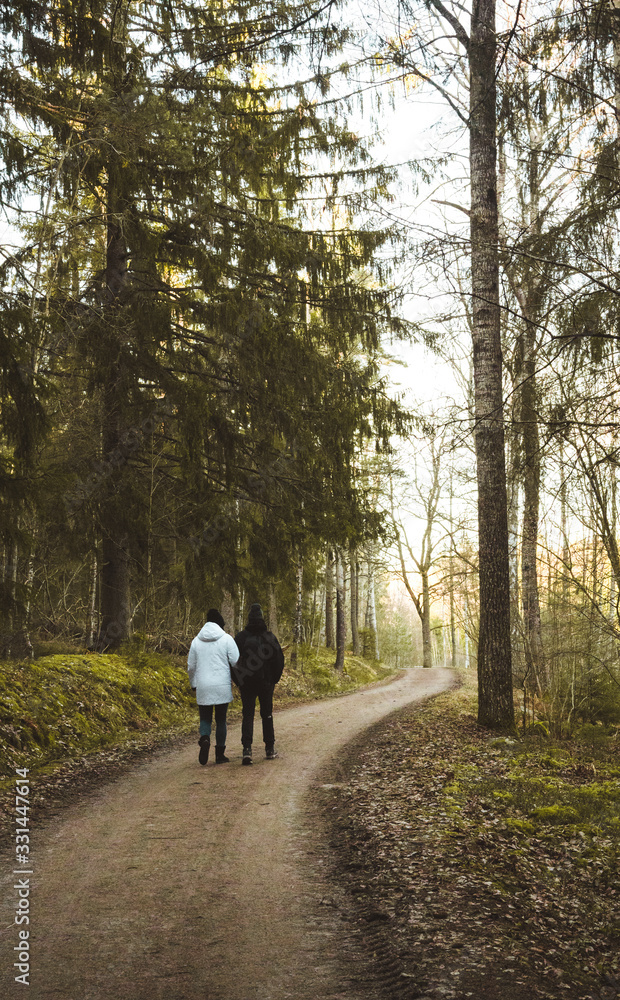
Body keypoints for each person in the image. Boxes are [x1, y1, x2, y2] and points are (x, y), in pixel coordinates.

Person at [233, 603, 284, 765]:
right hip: (266, 683)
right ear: (262, 618)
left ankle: (247, 750)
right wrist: (273, 680)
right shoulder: (270, 637)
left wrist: (239, 680)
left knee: (247, 714)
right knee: (266, 714)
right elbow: (279, 661)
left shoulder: (240, 638)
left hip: (246, 682)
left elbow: (233, 662)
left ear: (249, 619)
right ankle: (269, 748)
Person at [187, 608, 239, 765]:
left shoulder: (196, 641)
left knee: (205, 718)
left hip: (203, 685)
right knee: (221, 719)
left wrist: (193, 683)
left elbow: (190, 666)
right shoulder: (227, 639)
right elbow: (236, 660)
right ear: (220, 623)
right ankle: (220, 754)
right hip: (221, 685)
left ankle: (204, 738)